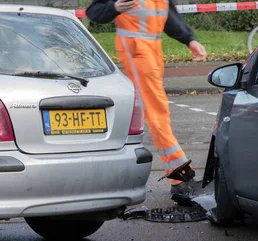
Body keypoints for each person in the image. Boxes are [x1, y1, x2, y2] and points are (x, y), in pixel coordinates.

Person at [86, 0, 206, 201]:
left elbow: (168, 15)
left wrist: (189, 40)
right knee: (156, 110)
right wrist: (114, 8)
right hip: (136, 50)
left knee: (156, 109)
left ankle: (176, 177)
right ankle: (181, 177)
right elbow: (94, 11)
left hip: (153, 50)